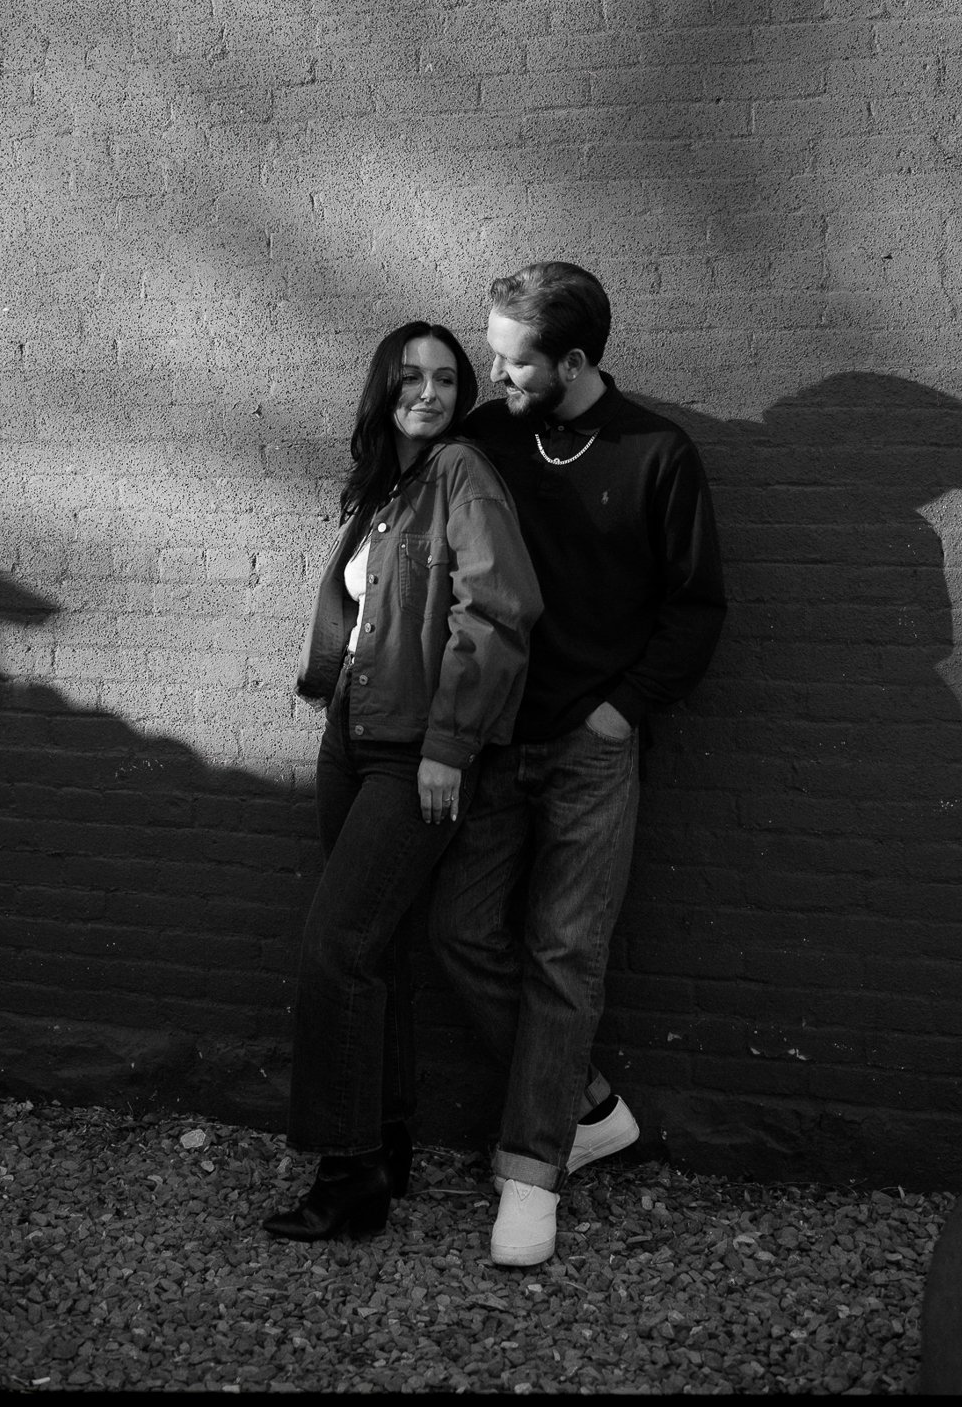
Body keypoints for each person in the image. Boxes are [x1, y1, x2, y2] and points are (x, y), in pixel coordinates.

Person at [429, 262, 726, 1266]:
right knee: (463, 933)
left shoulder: (656, 454)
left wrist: (616, 715)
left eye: (515, 366)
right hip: (498, 740)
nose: (495, 380)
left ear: (577, 359)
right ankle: (587, 1104)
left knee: (567, 955)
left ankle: (530, 1173)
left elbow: (696, 610)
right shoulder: (490, 441)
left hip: (593, 751)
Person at [263, 320, 542, 1242]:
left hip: (414, 750)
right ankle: (385, 1149)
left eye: (448, 378)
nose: (431, 391)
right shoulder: (387, 485)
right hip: (353, 731)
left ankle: (349, 1182)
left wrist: (447, 749)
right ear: (384, 386)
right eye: (412, 376)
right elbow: (362, 610)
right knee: (371, 951)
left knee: (334, 949)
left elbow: (498, 611)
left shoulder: (462, 471)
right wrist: (327, 685)